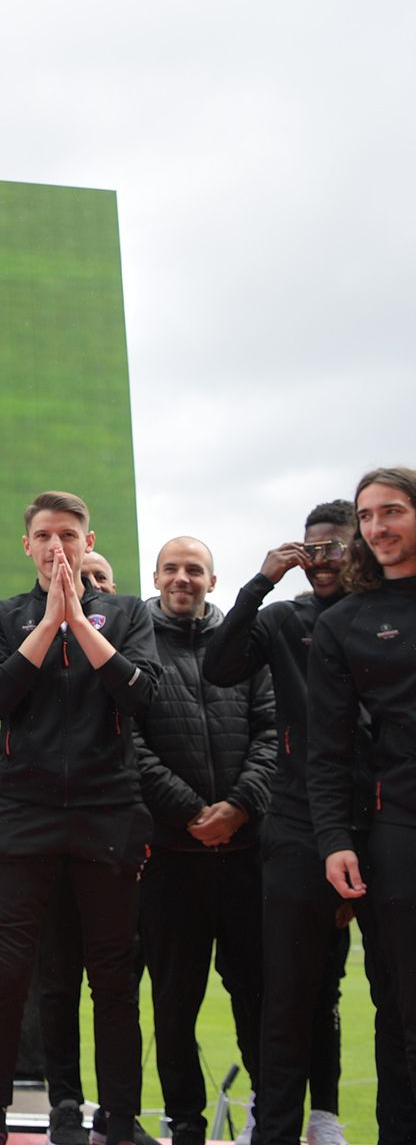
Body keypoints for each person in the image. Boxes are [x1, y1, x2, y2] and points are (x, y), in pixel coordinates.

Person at [204, 500, 410, 1145]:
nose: (321, 560)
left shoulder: (382, 619)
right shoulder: (283, 617)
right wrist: (261, 580)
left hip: (382, 823)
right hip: (296, 824)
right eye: (309, 549)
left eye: (334, 547)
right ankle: (277, 1132)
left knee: (392, 998)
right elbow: (218, 666)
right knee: (286, 996)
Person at [0, 491, 159, 1145]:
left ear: (87, 540)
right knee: (6, 971)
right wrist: (49, 622)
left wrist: (80, 620)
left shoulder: (129, 614)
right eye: (44, 536)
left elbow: (142, 697)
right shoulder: (0, 615)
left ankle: (120, 1120)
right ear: (27, 545)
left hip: (108, 811)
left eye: (69, 536)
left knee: (112, 978)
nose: (57, 548)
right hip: (25, 811)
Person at [132, 537, 275, 1145]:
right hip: (172, 861)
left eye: (194, 570)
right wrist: (192, 811)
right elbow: (127, 744)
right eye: (172, 569)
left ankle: (271, 1120)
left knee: (261, 1002)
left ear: (213, 582)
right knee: (174, 1005)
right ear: (157, 577)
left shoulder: (247, 645)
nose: (182, 578)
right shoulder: (134, 643)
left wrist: (239, 807)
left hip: (248, 859)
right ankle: (185, 1124)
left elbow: (272, 732)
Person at [309, 466, 416, 1135]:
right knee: (404, 1010)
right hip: (396, 832)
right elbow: (329, 748)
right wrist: (335, 839)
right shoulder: (346, 622)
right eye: (368, 515)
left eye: (393, 511)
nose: (378, 527)